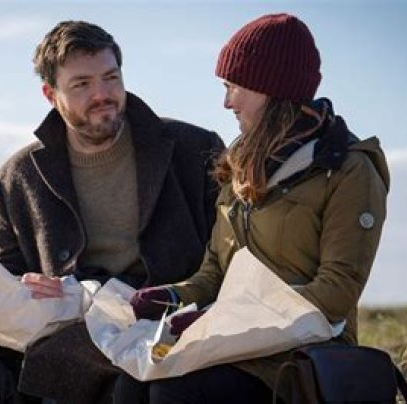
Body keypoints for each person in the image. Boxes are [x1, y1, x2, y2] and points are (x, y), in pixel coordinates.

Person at [0, 20, 224, 404]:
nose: (102, 94)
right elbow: (2, 282)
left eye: (111, 78)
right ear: (51, 94)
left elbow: (228, 257)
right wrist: (28, 287)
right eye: (81, 84)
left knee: (68, 367)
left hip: (162, 319)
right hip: (61, 322)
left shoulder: (194, 149)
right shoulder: (17, 177)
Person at [122, 13, 390, 403]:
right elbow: (214, 274)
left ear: (270, 87)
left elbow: (336, 292)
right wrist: (170, 298)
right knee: (129, 383)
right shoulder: (240, 166)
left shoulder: (349, 170)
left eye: (234, 86)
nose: (226, 101)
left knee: (174, 392)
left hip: (303, 358)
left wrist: (223, 321)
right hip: (228, 346)